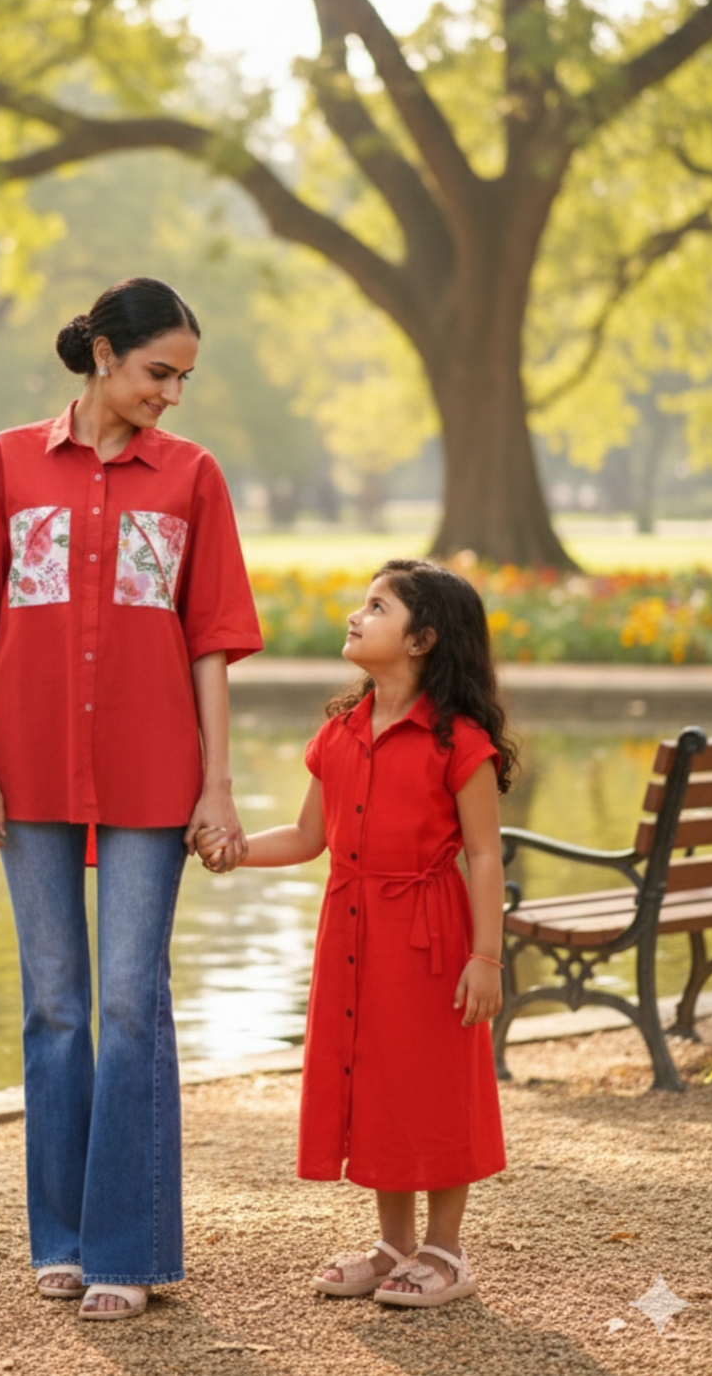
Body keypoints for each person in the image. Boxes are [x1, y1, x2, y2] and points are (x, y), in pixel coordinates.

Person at [0, 277, 262, 1322]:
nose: (171, 394)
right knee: (53, 1004)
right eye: (159, 371)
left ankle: (128, 1246)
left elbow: (208, 639)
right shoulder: (5, 463)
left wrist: (216, 782)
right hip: (24, 768)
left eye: (183, 378)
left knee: (128, 999)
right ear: (104, 355)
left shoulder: (192, 477)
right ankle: (62, 1238)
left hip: (152, 772)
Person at [197, 558, 517, 1308]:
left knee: (434, 1083)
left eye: (377, 607)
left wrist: (486, 958)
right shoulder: (340, 731)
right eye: (363, 603)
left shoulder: (459, 741)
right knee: (371, 1079)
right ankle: (393, 1246)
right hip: (351, 932)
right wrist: (237, 850)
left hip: (431, 935)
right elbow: (311, 835)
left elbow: (484, 853)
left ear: (423, 640)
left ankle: (446, 1251)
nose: (356, 615)